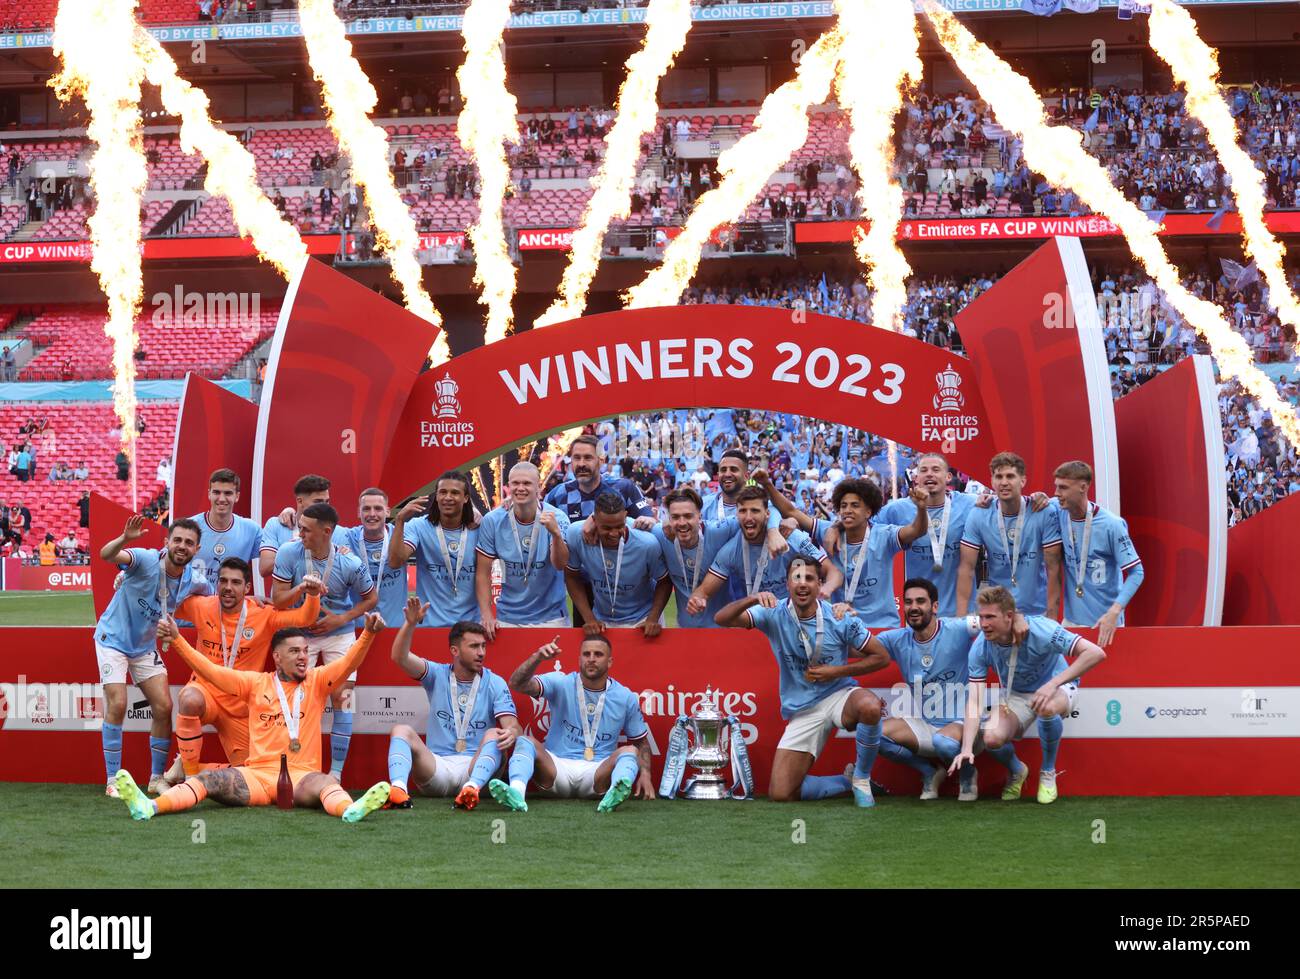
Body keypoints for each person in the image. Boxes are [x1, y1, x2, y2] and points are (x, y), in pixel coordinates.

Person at [117, 614, 392, 823]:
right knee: (208, 780)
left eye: (306, 651)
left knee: (326, 783)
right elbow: (211, 672)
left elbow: (348, 663)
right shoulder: (255, 684)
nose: (303, 657)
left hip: (302, 777)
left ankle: (350, 810)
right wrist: (177, 640)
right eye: (295, 651)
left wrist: (367, 633)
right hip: (256, 776)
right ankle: (149, 807)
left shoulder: (317, 681)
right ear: (277, 657)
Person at [714, 557, 889, 806]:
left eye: (809, 578)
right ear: (787, 584)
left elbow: (881, 658)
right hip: (804, 708)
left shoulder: (839, 617)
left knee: (870, 707)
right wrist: (753, 598)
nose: (802, 584)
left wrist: (835, 672)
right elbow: (722, 619)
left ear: (820, 585)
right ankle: (845, 781)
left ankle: (861, 777)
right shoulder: (774, 613)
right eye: (797, 578)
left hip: (838, 694)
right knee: (781, 793)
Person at [162, 558, 323, 783]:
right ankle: (190, 778)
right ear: (216, 584)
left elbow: (305, 618)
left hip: (240, 705)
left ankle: (193, 768)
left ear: (247, 588)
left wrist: (313, 595)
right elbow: (164, 601)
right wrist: (132, 579)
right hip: (206, 692)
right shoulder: (202, 605)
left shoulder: (263, 614)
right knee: (188, 698)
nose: (228, 587)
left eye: (236, 583)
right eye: (223, 581)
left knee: (251, 772)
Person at [871, 578, 1029, 801]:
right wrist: (840, 617)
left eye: (920, 601)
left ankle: (967, 774)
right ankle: (930, 771)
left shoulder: (959, 627)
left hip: (964, 723)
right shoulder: (896, 639)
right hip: (926, 725)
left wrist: (1020, 617)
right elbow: (859, 647)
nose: (914, 607)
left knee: (950, 741)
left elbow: (996, 618)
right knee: (872, 734)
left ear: (934, 606)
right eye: (908, 602)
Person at [950, 586, 1107, 804]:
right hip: (1016, 694)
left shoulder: (1041, 629)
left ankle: (1048, 772)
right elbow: (974, 700)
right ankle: (1016, 770)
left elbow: (1095, 653)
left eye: (990, 617)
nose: (984, 624)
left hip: (1057, 687)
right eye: (981, 617)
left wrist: (1052, 684)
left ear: (1009, 617)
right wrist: (966, 749)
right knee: (991, 737)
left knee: (1047, 706)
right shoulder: (980, 647)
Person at [95, 516, 211, 797]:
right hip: (113, 640)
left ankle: (156, 778)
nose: (182, 546)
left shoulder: (195, 581)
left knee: (163, 706)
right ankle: (113, 780)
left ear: (197, 549)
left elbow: (214, 600)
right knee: (119, 702)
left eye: (189, 543)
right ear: (167, 543)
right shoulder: (146, 559)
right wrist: (125, 538)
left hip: (145, 648)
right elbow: (106, 555)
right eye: (178, 540)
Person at [488, 633, 654, 813]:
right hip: (556, 769)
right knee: (525, 741)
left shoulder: (625, 697)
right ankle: (517, 794)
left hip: (598, 774)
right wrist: (538, 658)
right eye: (586, 654)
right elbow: (516, 684)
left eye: (598, 655)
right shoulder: (561, 682)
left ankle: (612, 795)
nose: (591, 659)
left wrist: (645, 774)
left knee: (630, 751)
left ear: (610, 661)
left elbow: (640, 742)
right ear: (579, 658)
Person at [271, 503, 376, 780]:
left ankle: (336, 774)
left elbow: (371, 598)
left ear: (326, 532)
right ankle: (295, 769)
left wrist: (342, 619)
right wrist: (302, 588)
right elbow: (278, 600)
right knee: (294, 699)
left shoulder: (350, 562)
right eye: (299, 527)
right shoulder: (288, 553)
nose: (299, 533)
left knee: (344, 698)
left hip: (338, 636)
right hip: (299, 635)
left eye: (306, 529)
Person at [384, 600, 521, 811]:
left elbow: (513, 725)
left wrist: (512, 732)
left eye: (483, 646)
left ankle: (471, 789)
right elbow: (398, 657)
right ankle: (398, 791)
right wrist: (410, 624)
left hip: (477, 768)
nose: (482, 653)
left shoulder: (495, 682)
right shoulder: (437, 674)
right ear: (455, 651)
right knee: (400, 730)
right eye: (474, 646)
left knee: (495, 733)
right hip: (438, 768)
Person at [758, 472, 929, 628]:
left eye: (855, 505)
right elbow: (791, 511)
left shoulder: (885, 535)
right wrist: (767, 483)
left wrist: (921, 508)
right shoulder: (827, 531)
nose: (847, 510)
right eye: (844, 506)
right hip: (843, 625)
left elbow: (917, 530)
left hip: (882, 626)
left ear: (868, 511)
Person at [689, 486, 840, 612]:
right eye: (743, 511)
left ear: (767, 514)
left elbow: (832, 572)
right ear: (736, 514)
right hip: (758, 621)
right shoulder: (731, 551)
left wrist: (826, 588)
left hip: (793, 619)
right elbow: (703, 591)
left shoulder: (792, 538)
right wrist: (696, 600)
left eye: (755, 511)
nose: (748, 517)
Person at [958, 452, 1063, 617]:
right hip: (998, 612)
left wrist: (1052, 619)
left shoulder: (1042, 511)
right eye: (998, 476)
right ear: (992, 481)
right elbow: (966, 568)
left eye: (1010, 476)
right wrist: (961, 620)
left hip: (1038, 612)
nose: (1004, 482)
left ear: (1023, 481)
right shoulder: (979, 513)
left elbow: (1053, 569)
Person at [1049, 460, 1143, 644]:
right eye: (1056, 487)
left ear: (1083, 487)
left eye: (1063, 487)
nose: (1056, 493)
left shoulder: (1111, 524)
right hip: (1071, 624)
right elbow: (1027, 503)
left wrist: (1115, 612)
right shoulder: (1057, 510)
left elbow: (1137, 572)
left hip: (1106, 625)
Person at [875, 453, 978, 616]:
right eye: (924, 470)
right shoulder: (896, 510)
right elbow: (864, 527)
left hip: (958, 614)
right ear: (916, 478)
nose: (930, 474)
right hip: (915, 614)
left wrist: (1033, 499)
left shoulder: (970, 504)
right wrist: (837, 528)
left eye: (936, 469)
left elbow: (1005, 506)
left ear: (948, 476)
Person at [474, 462, 570, 635]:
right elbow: (483, 572)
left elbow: (560, 564)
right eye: (515, 483)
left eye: (526, 483)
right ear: (508, 486)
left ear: (539, 488)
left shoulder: (557, 517)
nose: (520, 488)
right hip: (508, 618)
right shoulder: (493, 520)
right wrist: (487, 614)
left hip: (552, 618)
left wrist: (555, 534)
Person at [565, 492, 672, 634]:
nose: (614, 533)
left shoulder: (646, 543)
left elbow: (664, 581)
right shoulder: (576, 534)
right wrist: (589, 619)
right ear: (594, 520)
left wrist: (653, 618)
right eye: (607, 528)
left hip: (643, 620)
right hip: (601, 620)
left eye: (619, 526)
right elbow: (571, 576)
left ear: (626, 516)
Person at [388, 470, 479, 627]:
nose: (448, 497)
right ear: (436, 496)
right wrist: (400, 520)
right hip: (429, 626)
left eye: (455, 493)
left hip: (470, 627)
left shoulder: (479, 528)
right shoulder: (419, 526)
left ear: (466, 498)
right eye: (442, 492)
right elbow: (396, 561)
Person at [651, 487, 739, 628]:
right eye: (675, 517)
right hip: (683, 628)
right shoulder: (659, 533)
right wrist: (644, 519)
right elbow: (625, 524)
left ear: (699, 515)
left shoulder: (720, 530)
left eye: (688, 516)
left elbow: (758, 515)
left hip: (721, 629)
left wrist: (773, 530)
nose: (681, 522)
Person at [543, 434, 654, 523]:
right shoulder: (557, 494)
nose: (581, 464)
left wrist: (647, 520)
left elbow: (647, 519)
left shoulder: (624, 487)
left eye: (588, 458)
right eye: (576, 458)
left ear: (601, 460)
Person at [187, 468, 262, 597]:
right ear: (209, 494)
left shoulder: (251, 530)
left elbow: (276, 555)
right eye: (216, 492)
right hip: (194, 609)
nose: (221, 499)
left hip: (230, 609)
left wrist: (288, 515)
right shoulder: (188, 527)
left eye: (228, 493)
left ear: (237, 496)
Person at [258, 473, 350, 578]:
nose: (324, 507)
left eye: (327, 502)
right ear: (300, 501)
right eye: (318, 502)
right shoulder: (276, 525)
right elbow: (264, 569)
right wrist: (294, 549)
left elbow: (346, 573)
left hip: (327, 593)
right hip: (287, 594)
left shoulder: (338, 532)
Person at [343, 487, 408, 629]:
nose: (372, 514)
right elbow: (317, 525)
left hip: (395, 628)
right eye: (366, 509)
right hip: (357, 629)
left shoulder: (402, 534)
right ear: (358, 513)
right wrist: (290, 512)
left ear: (388, 512)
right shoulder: (346, 537)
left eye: (378, 508)